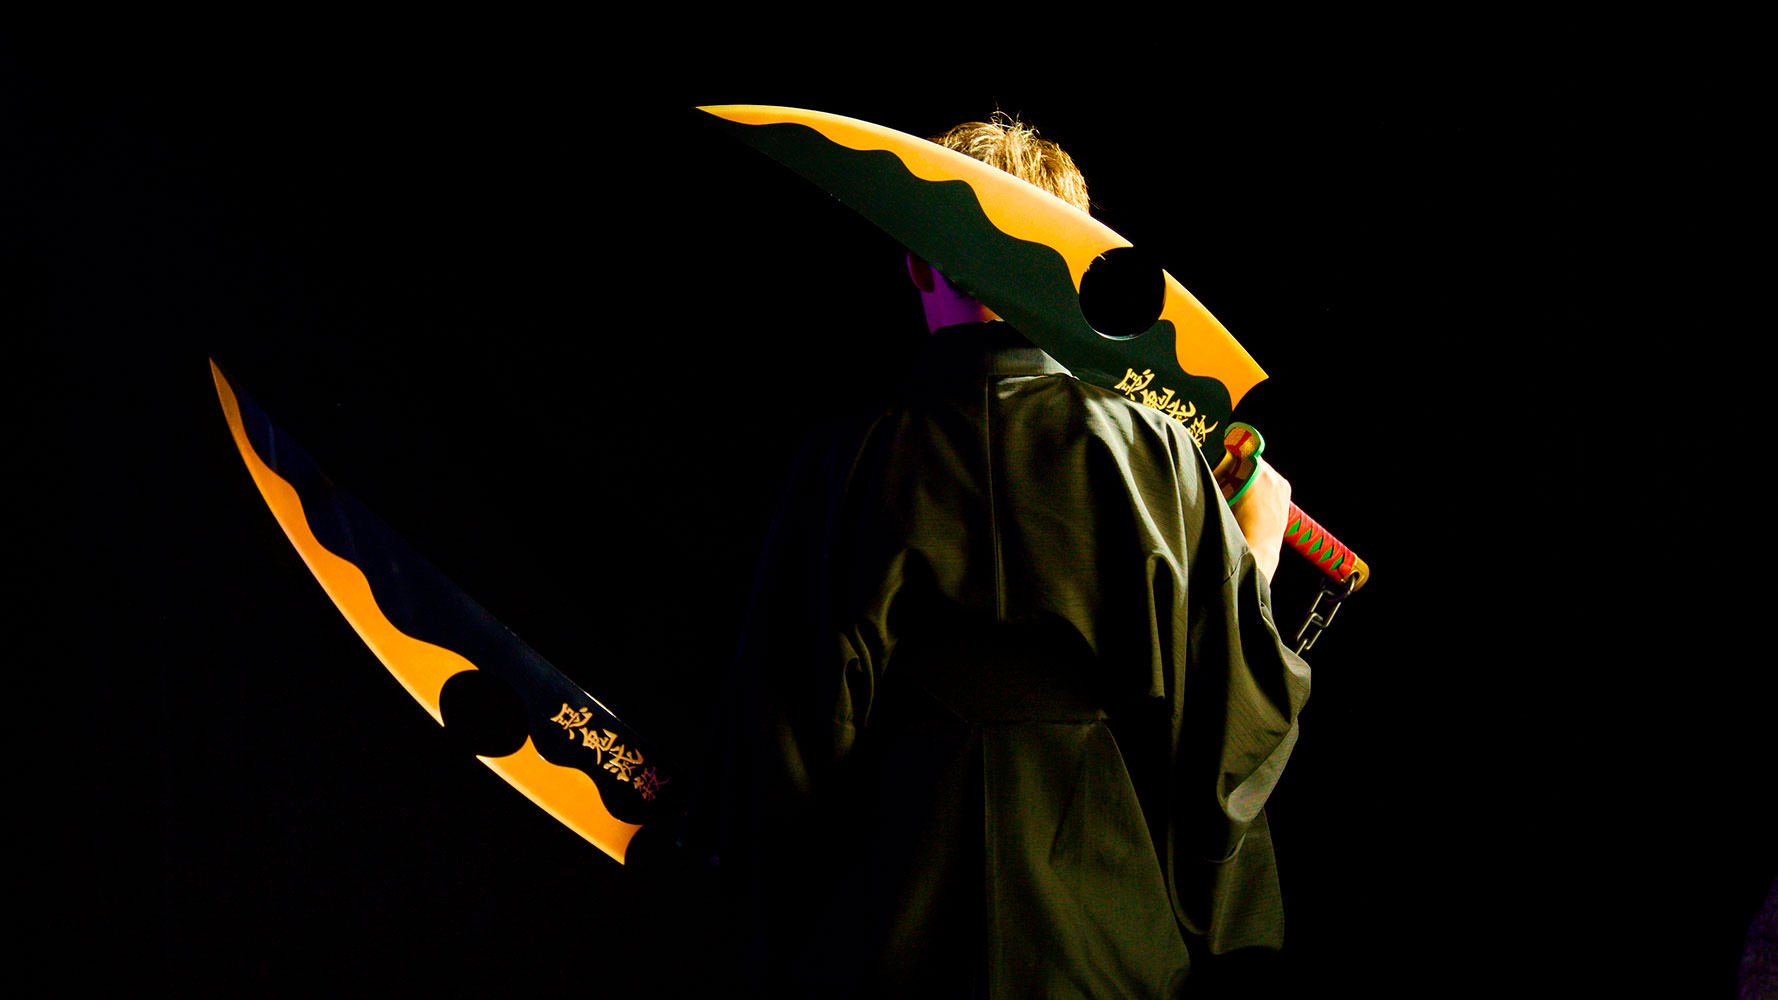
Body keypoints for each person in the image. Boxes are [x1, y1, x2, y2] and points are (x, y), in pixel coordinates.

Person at [666, 114, 1311, 997]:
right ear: (1078, 266)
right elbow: (1225, 721)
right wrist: (1257, 552)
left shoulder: (847, 458)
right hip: (1102, 915)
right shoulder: (1155, 449)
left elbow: (780, 751)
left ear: (916, 262)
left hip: (891, 917)